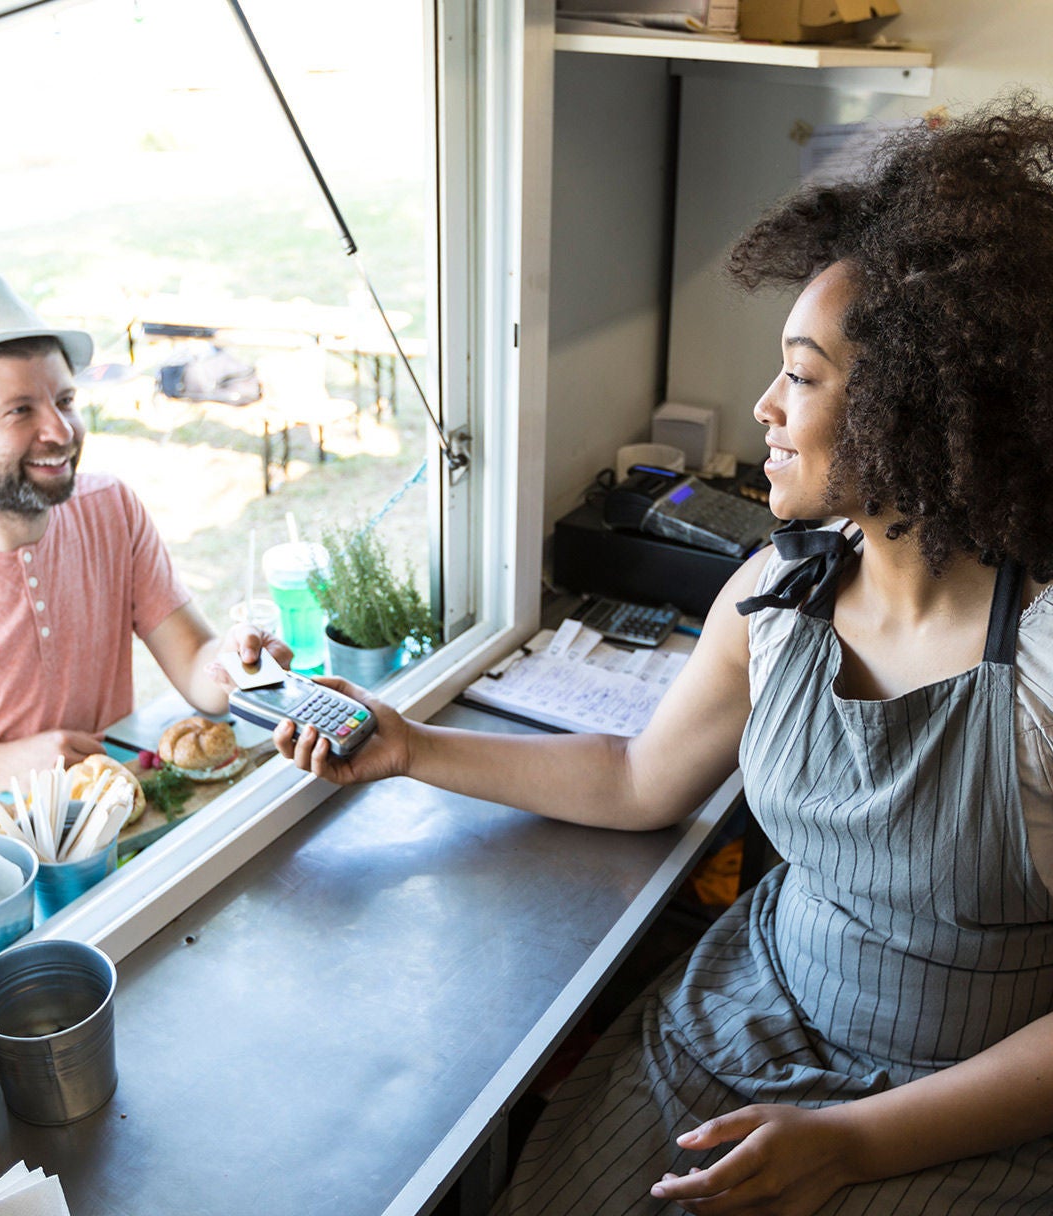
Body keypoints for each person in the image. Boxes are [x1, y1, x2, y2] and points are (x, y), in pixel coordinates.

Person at [238, 95, 1053, 1213]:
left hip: (963, 1105)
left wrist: (853, 1144)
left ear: (918, 406)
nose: (765, 407)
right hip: (747, 1022)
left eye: (802, 377)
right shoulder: (778, 592)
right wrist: (406, 747)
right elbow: (637, 778)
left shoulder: (1042, 671)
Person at [0, 272, 290, 810]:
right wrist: (4, 766)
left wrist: (239, 663)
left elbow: (196, 665)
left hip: (123, 826)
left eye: (66, 399)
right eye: (20, 410)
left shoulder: (110, 510)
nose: (61, 431)